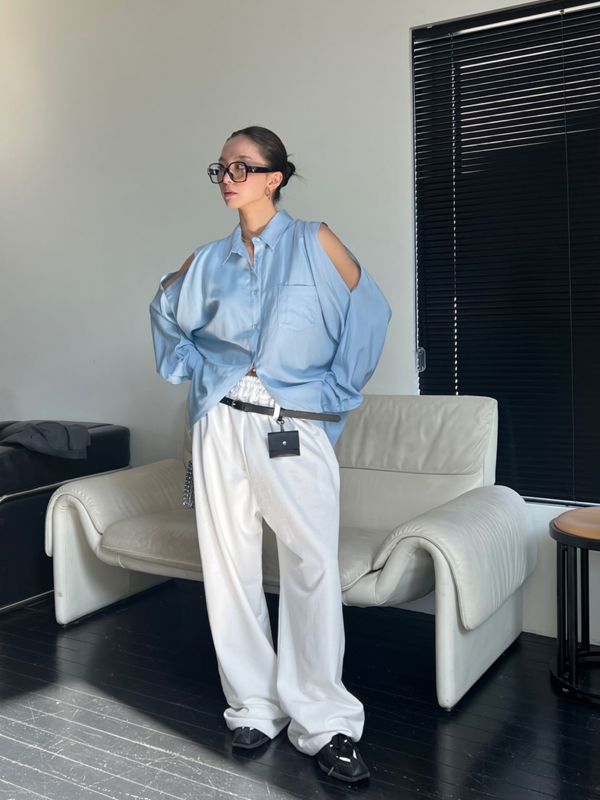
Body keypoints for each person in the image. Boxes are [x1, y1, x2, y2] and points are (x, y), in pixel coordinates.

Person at [150, 126, 391, 783]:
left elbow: (370, 314)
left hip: (291, 420)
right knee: (228, 564)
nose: (227, 178)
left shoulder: (316, 240)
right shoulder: (209, 259)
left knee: (311, 564)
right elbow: (164, 310)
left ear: (275, 177)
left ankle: (326, 722)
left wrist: (333, 394)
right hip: (220, 421)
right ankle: (253, 705)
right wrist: (199, 371)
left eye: (242, 166)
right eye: (221, 168)